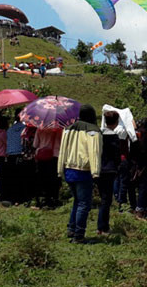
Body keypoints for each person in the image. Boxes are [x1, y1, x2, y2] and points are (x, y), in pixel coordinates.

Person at [58, 104, 102, 243]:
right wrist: (96, 172)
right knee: (84, 204)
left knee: (77, 202)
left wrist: (60, 169)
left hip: (68, 169)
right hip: (84, 170)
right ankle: (79, 235)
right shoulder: (93, 131)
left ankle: (71, 229)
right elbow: (94, 153)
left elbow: (62, 150)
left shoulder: (68, 129)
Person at [97, 111, 124, 234]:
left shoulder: (98, 135)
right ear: (116, 122)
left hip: (98, 168)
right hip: (110, 169)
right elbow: (117, 155)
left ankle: (101, 225)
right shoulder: (114, 137)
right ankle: (103, 226)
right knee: (106, 199)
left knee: (102, 197)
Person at [34, 127, 63, 208]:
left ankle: (44, 198)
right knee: (54, 178)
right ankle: (54, 198)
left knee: (43, 178)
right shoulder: (59, 130)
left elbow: (35, 144)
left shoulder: (40, 129)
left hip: (42, 157)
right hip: (55, 156)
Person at [4, 110, 25, 205]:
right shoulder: (24, 129)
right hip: (20, 154)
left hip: (10, 156)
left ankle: (11, 198)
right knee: (20, 178)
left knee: (12, 178)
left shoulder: (10, 129)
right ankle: (20, 198)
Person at [0, 114, 13, 205]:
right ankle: (4, 195)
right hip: (4, 156)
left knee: (2, 176)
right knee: (5, 177)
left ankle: (0, 195)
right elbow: (8, 144)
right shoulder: (4, 133)